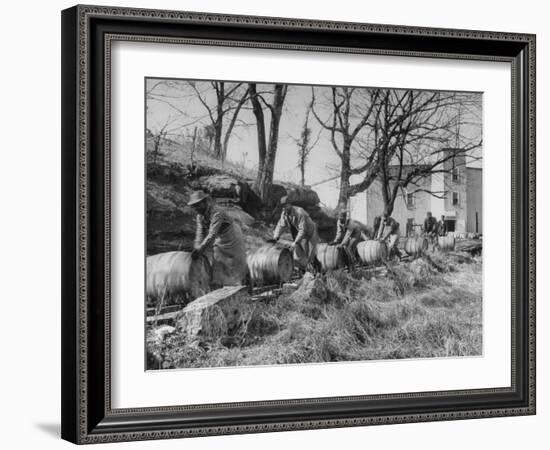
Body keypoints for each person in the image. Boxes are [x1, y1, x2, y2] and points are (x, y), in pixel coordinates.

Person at [188, 190, 247, 287]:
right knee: (218, 260)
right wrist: (196, 249)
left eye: (197, 205)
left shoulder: (216, 212)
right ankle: (221, 285)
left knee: (234, 262)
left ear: (204, 202)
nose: (195, 208)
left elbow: (212, 233)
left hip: (232, 235)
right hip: (219, 237)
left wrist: (201, 249)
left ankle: (238, 286)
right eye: (194, 206)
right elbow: (200, 233)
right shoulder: (200, 216)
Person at [270, 196, 320, 271]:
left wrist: (295, 243)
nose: (284, 208)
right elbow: (280, 225)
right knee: (300, 256)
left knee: (310, 256)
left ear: (290, 205)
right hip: (300, 235)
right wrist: (275, 237)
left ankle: (318, 270)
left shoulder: (299, 212)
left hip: (311, 233)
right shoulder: (284, 213)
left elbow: (302, 230)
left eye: (285, 206)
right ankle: (303, 271)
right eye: (282, 207)